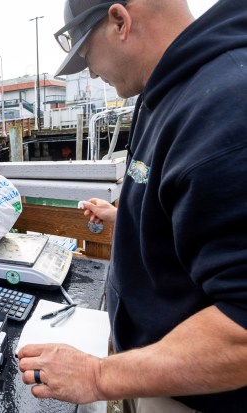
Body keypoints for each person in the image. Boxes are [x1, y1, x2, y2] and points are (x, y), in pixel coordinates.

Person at [18, 1, 247, 412]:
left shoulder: (230, 106)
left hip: (199, 395)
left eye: (87, 55)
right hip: (150, 368)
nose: (90, 72)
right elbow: (187, 203)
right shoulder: (163, 89)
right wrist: (129, 216)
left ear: (120, 21)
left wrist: (97, 376)